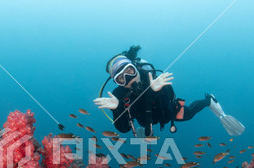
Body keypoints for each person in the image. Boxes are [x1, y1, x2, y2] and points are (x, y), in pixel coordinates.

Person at [93, 46, 244, 137]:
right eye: (121, 79)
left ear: (135, 67)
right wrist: (116, 108)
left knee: (189, 114)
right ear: (117, 83)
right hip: (144, 120)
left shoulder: (150, 77)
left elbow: (168, 110)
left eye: (130, 71)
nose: (129, 79)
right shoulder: (118, 95)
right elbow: (124, 129)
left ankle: (208, 101)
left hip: (167, 112)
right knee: (143, 126)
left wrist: (156, 91)